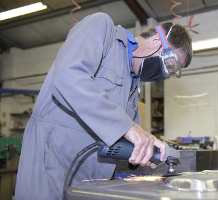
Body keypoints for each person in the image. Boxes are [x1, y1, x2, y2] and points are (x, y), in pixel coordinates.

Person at [15, 12, 192, 199]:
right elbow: (68, 76)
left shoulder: (133, 84)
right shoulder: (103, 29)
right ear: (156, 41)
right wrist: (129, 128)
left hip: (90, 178)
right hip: (52, 163)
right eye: (169, 65)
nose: (164, 74)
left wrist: (146, 150)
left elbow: (124, 135)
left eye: (171, 73)